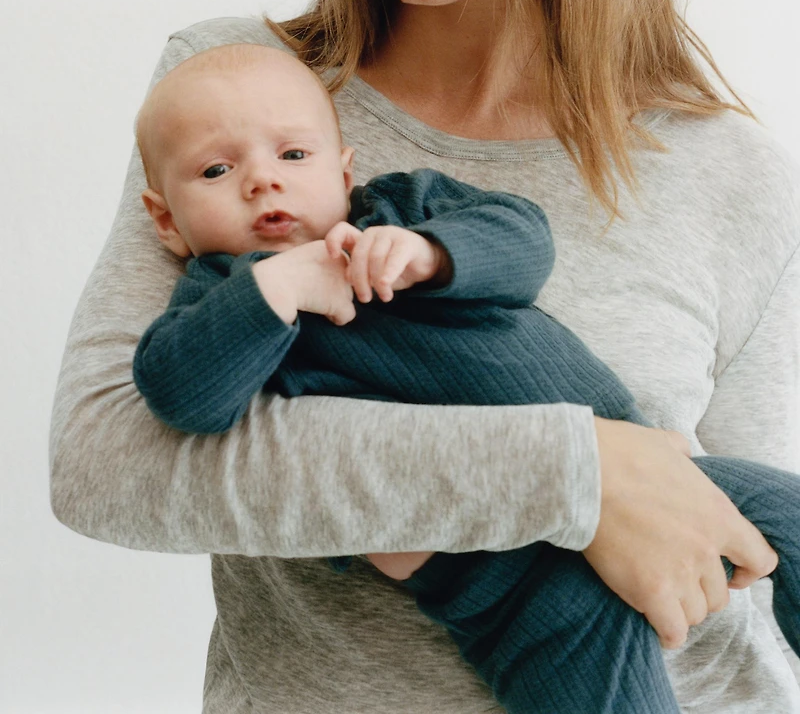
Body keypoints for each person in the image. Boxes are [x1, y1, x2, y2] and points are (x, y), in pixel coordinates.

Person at [49, 0, 800, 713]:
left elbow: (731, 563)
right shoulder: (241, 108)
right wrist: (579, 476)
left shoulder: (720, 171)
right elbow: (108, 464)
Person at [130, 41, 800, 714]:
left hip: (652, 481)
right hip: (516, 579)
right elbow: (181, 395)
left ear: (344, 170)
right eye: (217, 170)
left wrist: (432, 254)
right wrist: (273, 290)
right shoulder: (218, 300)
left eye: (293, 156)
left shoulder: (398, 210)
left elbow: (524, 238)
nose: (261, 181)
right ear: (166, 220)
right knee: (600, 679)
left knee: (789, 514)